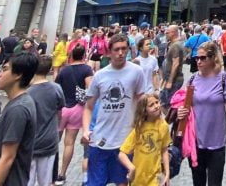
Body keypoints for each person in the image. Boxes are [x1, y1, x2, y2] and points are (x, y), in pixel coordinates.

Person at [175, 40, 226, 186]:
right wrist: (181, 112)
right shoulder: (192, 79)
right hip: (196, 142)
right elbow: (186, 106)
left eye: (203, 58)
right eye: (197, 58)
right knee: (198, 182)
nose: (198, 61)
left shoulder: (223, 78)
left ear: (213, 58)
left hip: (217, 143)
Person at [82, 33, 146, 186]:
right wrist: (85, 130)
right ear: (109, 51)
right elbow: (88, 107)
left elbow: (141, 100)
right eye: (117, 49)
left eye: (124, 49)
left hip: (125, 140)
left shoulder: (136, 72)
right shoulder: (100, 75)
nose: (121, 53)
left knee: (122, 182)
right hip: (100, 139)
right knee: (95, 183)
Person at [0, 51, 38, 186]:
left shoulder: (19, 109)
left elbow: (7, 157)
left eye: (5, 69)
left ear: (18, 74)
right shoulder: (16, 103)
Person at [54, 45, 94, 185]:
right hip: (77, 108)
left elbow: (56, 88)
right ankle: (62, 173)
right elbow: (90, 88)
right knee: (69, 143)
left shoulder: (64, 70)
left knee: (54, 142)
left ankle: (51, 171)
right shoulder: (87, 69)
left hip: (62, 108)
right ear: (84, 55)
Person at [27, 55, 65, 186]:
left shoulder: (27, 92)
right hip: (49, 140)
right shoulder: (56, 88)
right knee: (47, 180)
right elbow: (60, 113)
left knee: (28, 180)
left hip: (30, 143)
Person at [117, 93, 171, 186]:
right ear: (144, 111)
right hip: (138, 178)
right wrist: (131, 168)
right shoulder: (139, 129)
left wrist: (167, 173)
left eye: (157, 102)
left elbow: (164, 150)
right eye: (151, 105)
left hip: (155, 176)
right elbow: (122, 154)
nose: (156, 106)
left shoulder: (163, 126)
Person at [161, 24, 186, 107]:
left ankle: (172, 120)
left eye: (167, 33)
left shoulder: (176, 45)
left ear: (173, 33)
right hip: (171, 79)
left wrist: (170, 81)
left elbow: (176, 63)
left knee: (167, 104)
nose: (166, 34)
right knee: (164, 103)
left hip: (174, 80)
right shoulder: (174, 44)